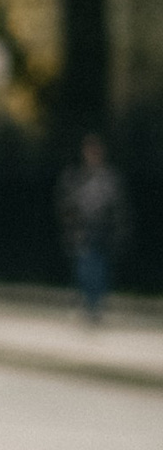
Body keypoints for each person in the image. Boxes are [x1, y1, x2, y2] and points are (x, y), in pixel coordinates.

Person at [57, 135, 133, 323]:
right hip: (83, 228)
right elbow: (67, 204)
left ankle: (95, 305)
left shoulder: (109, 177)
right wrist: (71, 226)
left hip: (102, 228)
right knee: (85, 266)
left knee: (99, 267)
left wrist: (119, 228)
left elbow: (117, 205)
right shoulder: (76, 176)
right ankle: (88, 303)